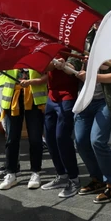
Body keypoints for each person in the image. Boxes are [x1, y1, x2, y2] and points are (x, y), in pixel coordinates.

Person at [74, 30, 111, 203]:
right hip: (86, 99)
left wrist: (92, 76)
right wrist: (68, 66)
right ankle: (97, 178)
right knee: (80, 141)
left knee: (97, 141)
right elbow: (74, 60)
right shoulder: (86, 37)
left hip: (106, 101)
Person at [0, 68, 47, 190]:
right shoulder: (8, 50)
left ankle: (35, 172)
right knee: (11, 138)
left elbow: (47, 75)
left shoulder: (37, 51)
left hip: (34, 98)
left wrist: (32, 82)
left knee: (35, 138)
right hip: (12, 97)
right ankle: (11, 173)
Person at [42, 58, 82, 198]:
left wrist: (63, 65)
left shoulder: (70, 46)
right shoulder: (48, 47)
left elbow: (74, 68)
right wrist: (53, 64)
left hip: (67, 96)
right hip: (52, 96)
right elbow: (44, 67)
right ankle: (61, 175)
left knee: (62, 137)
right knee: (50, 137)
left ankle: (74, 179)